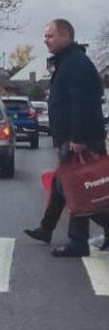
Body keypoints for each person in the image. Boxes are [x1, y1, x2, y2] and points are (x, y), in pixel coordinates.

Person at [23, 19, 109, 257]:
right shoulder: (68, 62)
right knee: (64, 186)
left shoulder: (75, 64)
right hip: (73, 137)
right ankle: (46, 228)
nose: (45, 40)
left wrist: (79, 137)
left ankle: (77, 242)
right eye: (45, 36)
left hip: (80, 139)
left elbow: (82, 103)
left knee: (79, 188)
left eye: (50, 36)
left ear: (66, 37)